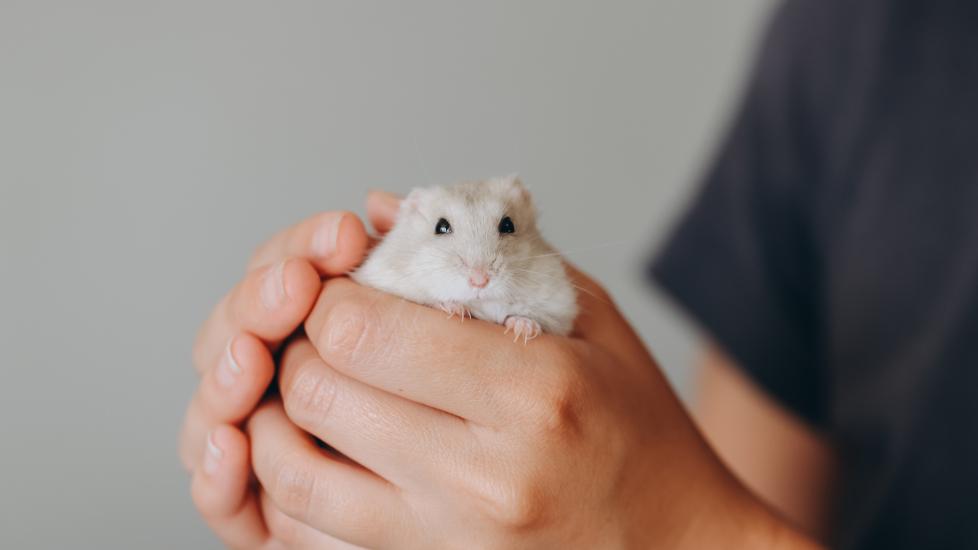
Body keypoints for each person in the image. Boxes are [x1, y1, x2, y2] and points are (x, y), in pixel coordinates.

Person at [180, 0, 978, 548]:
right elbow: (763, 482)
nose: (477, 267)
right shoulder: (852, 34)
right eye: (451, 235)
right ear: (418, 221)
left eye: (497, 234)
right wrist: (321, 466)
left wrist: (678, 529)